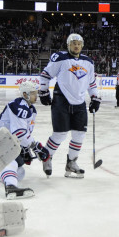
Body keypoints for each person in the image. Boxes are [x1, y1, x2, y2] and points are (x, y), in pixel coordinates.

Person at [37, 33, 101, 179]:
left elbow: (91, 83)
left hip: (79, 102)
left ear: (82, 45)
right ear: (68, 45)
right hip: (61, 100)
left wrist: (95, 97)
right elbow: (46, 75)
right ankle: (47, 157)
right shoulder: (60, 57)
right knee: (60, 134)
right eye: (73, 43)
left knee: (80, 134)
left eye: (79, 43)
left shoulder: (88, 62)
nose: (76, 45)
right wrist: (43, 91)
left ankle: (71, 163)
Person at [0, 81, 44, 199]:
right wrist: (34, 146)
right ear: (25, 94)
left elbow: (23, 133)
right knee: (10, 159)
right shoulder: (19, 106)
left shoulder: (30, 109)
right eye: (33, 93)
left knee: (20, 172)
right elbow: (19, 133)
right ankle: (10, 187)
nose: (36, 96)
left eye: (36, 93)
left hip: (7, 137)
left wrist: (24, 149)